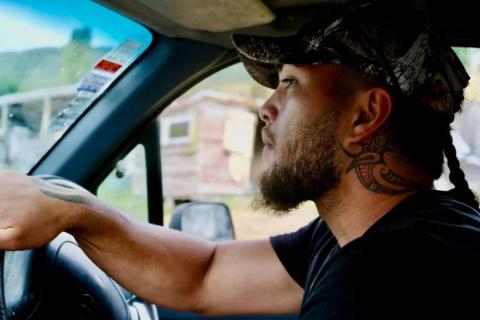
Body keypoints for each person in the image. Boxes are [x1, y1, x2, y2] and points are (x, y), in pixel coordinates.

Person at [1, 0, 480, 318]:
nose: (266, 109)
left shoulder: (393, 278)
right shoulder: (358, 238)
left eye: (291, 84)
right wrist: (73, 209)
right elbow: (203, 275)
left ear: (365, 115)